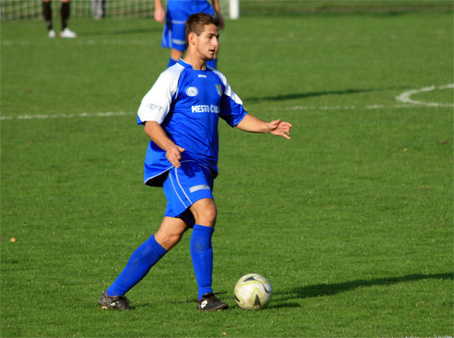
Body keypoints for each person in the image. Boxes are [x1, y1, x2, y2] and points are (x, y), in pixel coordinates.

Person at [98, 12, 292, 312]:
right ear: (192, 39)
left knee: (169, 234)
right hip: (178, 165)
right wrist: (169, 147)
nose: (215, 43)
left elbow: (237, 116)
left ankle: (112, 295)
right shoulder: (173, 75)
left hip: (204, 167)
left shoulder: (217, 79)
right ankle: (206, 297)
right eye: (209, 37)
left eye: (217, 38)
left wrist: (266, 126)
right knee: (207, 211)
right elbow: (149, 120)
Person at [154, 0, 224, 68]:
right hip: (179, 9)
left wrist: (217, 12)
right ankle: (171, 79)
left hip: (202, 7)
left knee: (212, 48)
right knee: (178, 52)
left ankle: (209, 79)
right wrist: (158, 6)